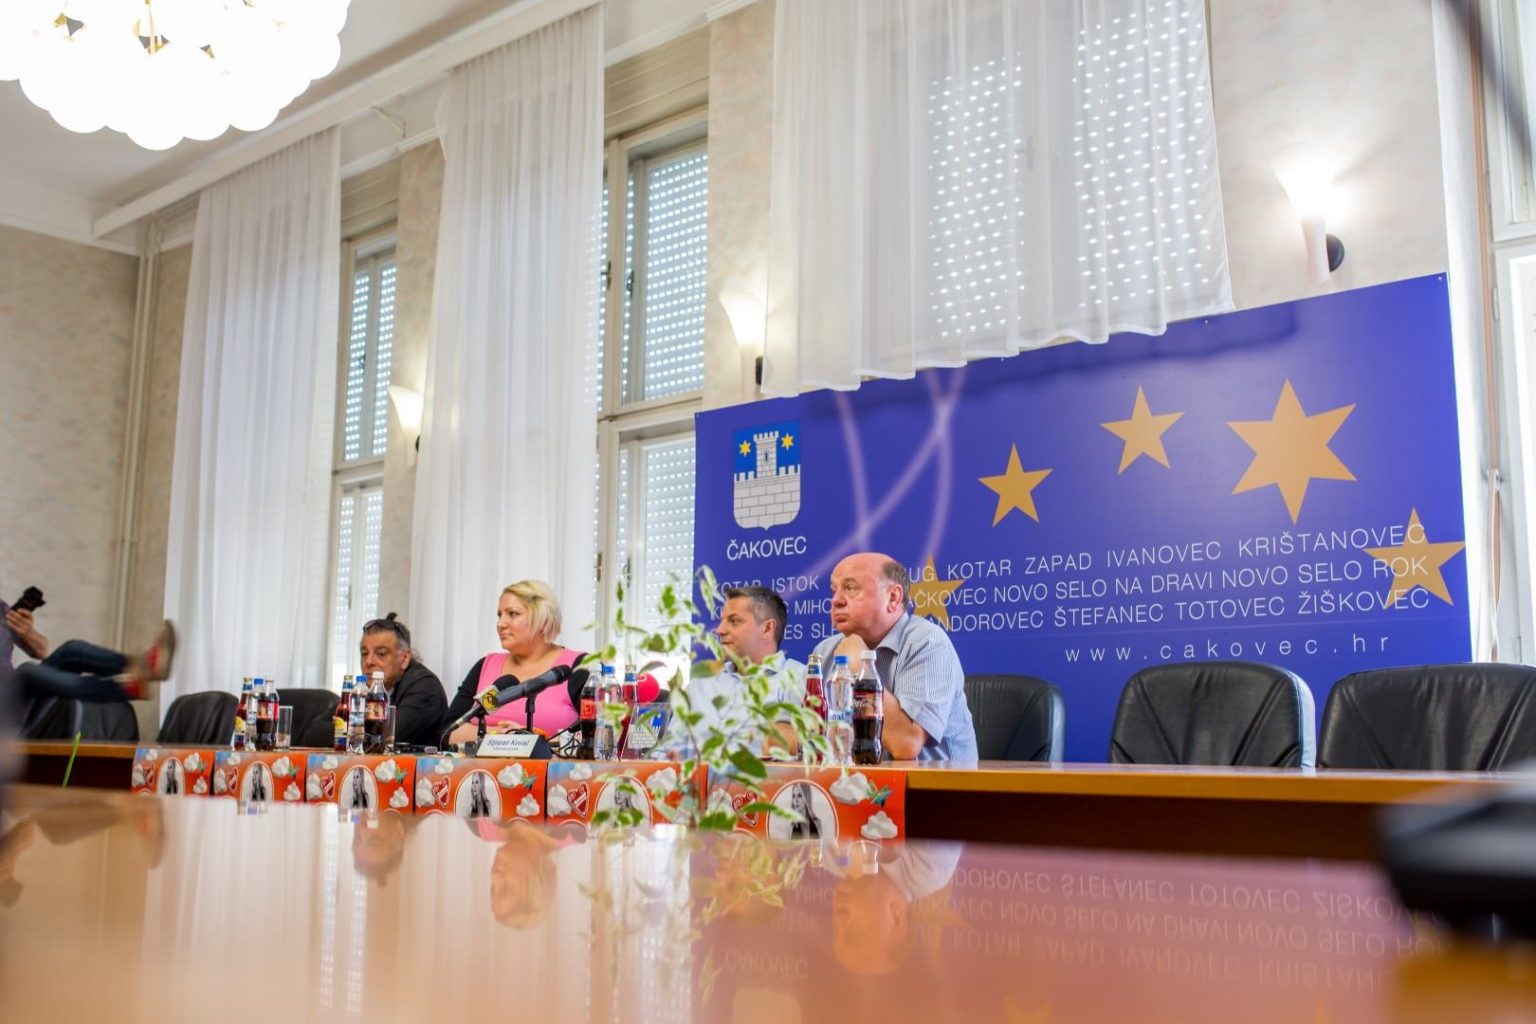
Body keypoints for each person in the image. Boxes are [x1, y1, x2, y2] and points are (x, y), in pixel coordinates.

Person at [810, 553, 977, 762]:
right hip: (852, 778)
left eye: (850, 588)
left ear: (893, 598)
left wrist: (859, 666)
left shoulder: (927, 642)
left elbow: (906, 744)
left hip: (933, 782)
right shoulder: (825, 650)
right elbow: (801, 736)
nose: (836, 601)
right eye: (834, 590)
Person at [663, 585, 804, 759]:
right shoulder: (700, 683)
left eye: (734, 621)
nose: (719, 630)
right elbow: (668, 752)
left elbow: (810, 759)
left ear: (767, 628)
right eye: (722, 620)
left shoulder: (800, 681)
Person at [442, 581, 588, 746]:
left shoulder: (580, 667)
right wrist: (499, 735)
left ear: (543, 621)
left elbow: (596, 737)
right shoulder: (485, 665)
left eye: (512, 614)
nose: (500, 624)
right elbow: (448, 731)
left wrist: (530, 740)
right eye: (500, 615)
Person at [3, 600, 175, 727]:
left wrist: (27, 633)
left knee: (71, 650)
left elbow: (41, 651)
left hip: (15, 700)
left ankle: (141, 665)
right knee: (26, 672)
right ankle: (125, 688)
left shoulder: (2, 609)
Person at [358, 613, 447, 747]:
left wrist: (354, 727)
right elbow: (327, 729)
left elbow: (386, 737)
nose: (369, 661)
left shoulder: (425, 687)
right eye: (364, 653)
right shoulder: (365, 687)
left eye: (381, 653)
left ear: (405, 658)